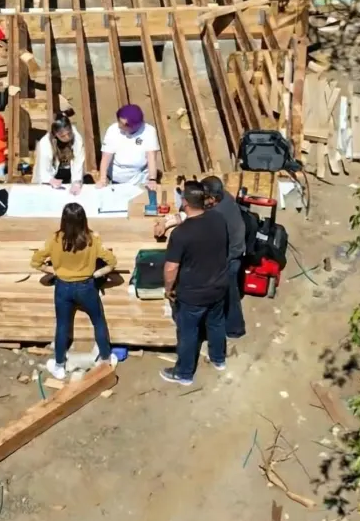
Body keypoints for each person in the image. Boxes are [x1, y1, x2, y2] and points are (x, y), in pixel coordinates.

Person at [29, 202, 117, 379]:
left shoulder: (55, 240)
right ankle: (106, 359)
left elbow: (35, 262)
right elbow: (112, 262)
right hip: (87, 286)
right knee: (98, 321)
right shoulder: (92, 239)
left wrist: (54, 271)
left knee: (62, 325)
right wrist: (97, 273)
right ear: (84, 219)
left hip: (63, 286)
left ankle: (59, 365)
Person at [158, 180, 229, 386]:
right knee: (216, 323)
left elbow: (171, 268)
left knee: (188, 333)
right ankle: (219, 359)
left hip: (193, 293)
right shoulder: (218, 218)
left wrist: (168, 289)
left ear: (185, 204)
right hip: (218, 285)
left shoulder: (181, 234)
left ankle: (184, 373)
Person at [202, 175, 247, 339]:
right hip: (236, 250)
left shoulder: (217, 213)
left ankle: (235, 328)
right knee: (229, 293)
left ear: (212, 198)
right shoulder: (225, 197)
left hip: (230, 257)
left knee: (229, 295)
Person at [96, 104, 159, 189]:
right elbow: (106, 157)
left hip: (139, 179)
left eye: (123, 124)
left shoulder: (149, 131)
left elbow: (151, 157)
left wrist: (152, 179)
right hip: (116, 177)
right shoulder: (113, 130)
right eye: (119, 121)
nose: (119, 126)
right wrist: (103, 179)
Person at [33, 114, 86, 194]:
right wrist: (50, 180)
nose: (67, 137)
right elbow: (44, 169)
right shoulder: (45, 143)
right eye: (63, 136)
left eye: (69, 133)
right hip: (52, 173)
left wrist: (76, 182)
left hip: (68, 170)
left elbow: (78, 162)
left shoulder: (77, 138)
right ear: (55, 135)